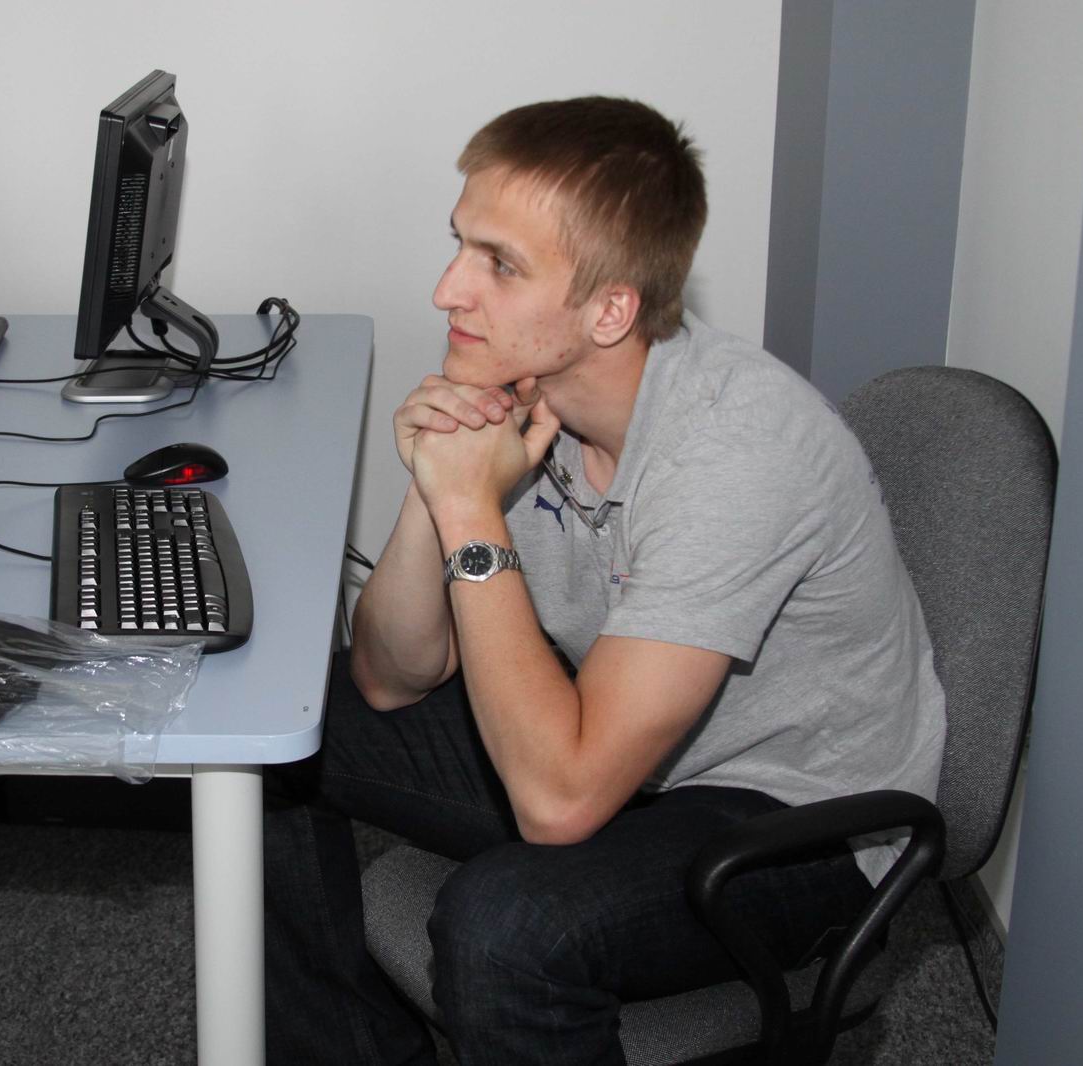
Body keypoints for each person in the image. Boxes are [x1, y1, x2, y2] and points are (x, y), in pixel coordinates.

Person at [265, 95, 946, 1065]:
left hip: (802, 818)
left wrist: (473, 514)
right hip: (626, 743)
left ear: (610, 309)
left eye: (500, 265)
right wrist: (440, 483)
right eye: (460, 246)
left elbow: (560, 803)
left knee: (503, 929)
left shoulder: (737, 452)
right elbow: (387, 678)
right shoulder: (531, 389)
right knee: (276, 725)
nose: (448, 290)